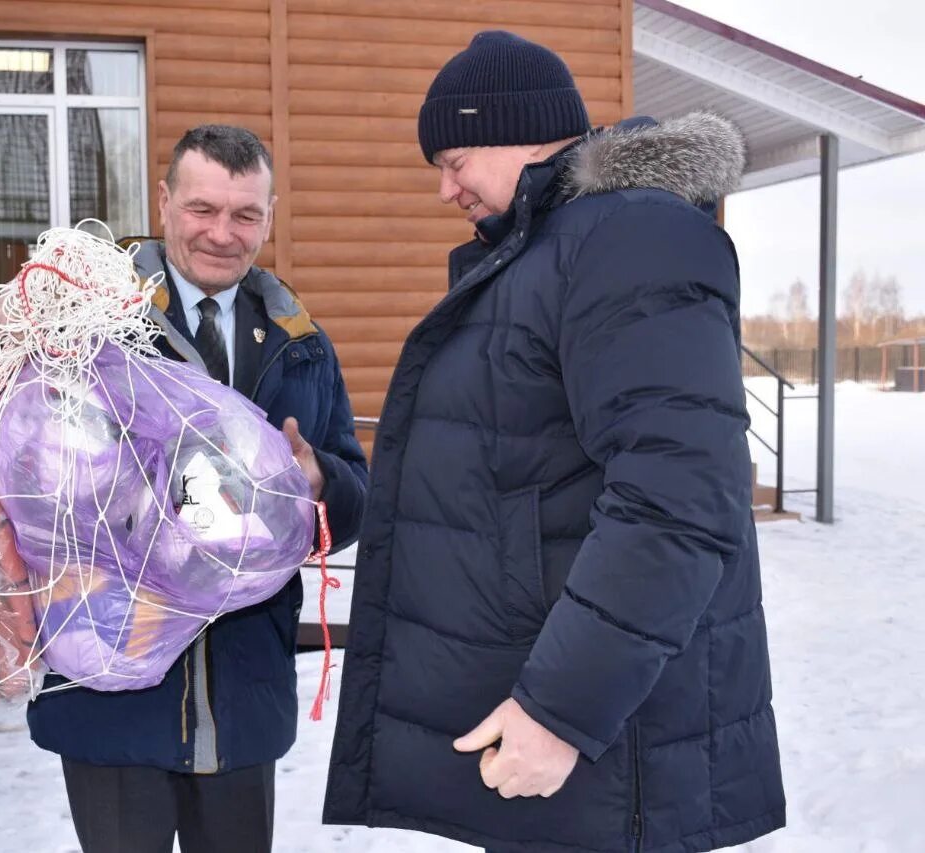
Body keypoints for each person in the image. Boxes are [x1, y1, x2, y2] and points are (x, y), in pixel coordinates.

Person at [323, 31, 785, 853]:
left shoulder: (628, 239)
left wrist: (560, 710)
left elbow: (676, 499)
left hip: (611, 752)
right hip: (575, 757)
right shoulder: (554, 247)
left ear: (514, 130)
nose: (444, 189)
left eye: (454, 158)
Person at [0, 124, 368, 853]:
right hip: (109, 689)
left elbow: (353, 491)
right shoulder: (78, 311)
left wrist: (321, 479)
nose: (222, 234)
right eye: (202, 209)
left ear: (269, 216)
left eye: (244, 215)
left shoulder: (302, 342)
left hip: (239, 696)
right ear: (163, 202)